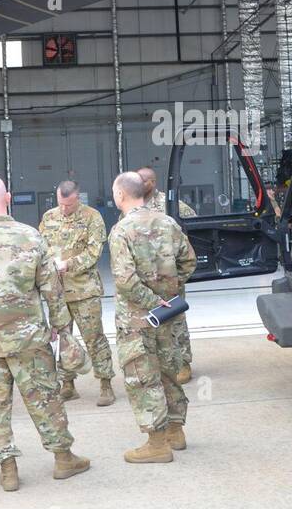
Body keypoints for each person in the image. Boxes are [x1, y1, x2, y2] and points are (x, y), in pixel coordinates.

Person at [0, 175, 89, 492]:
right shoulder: (31, 237)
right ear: (7, 197)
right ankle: (63, 458)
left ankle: (7, 468)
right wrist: (61, 328)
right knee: (45, 399)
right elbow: (52, 289)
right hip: (30, 339)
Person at [108, 171, 196, 463]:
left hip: (138, 319)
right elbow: (189, 261)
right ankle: (176, 431)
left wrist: (151, 301)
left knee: (143, 377)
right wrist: (168, 295)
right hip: (168, 315)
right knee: (169, 370)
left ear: (121, 195)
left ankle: (157, 443)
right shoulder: (167, 222)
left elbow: (124, 279)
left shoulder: (121, 230)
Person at [39, 181, 115, 406]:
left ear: (77, 199)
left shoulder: (92, 217)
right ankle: (68, 385)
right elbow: (42, 249)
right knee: (64, 340)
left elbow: (94, 252)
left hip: (84, 291)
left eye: (69, 205)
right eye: (61, 204)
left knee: (94, 338)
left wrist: (69, 264)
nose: (64, 209)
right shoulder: (49, 218)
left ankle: (105, 383)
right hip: (59, 292)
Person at [137, 165, 196, 385]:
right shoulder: (134, 207)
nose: (138, 185)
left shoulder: (170, 205)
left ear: (151, 183)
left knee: (176, 323)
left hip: (169, 279)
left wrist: (177, 278)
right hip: (145, 281)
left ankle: (184, 363)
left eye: (142, 181)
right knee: (150, 324)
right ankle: (159, 364)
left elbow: (192, 228)